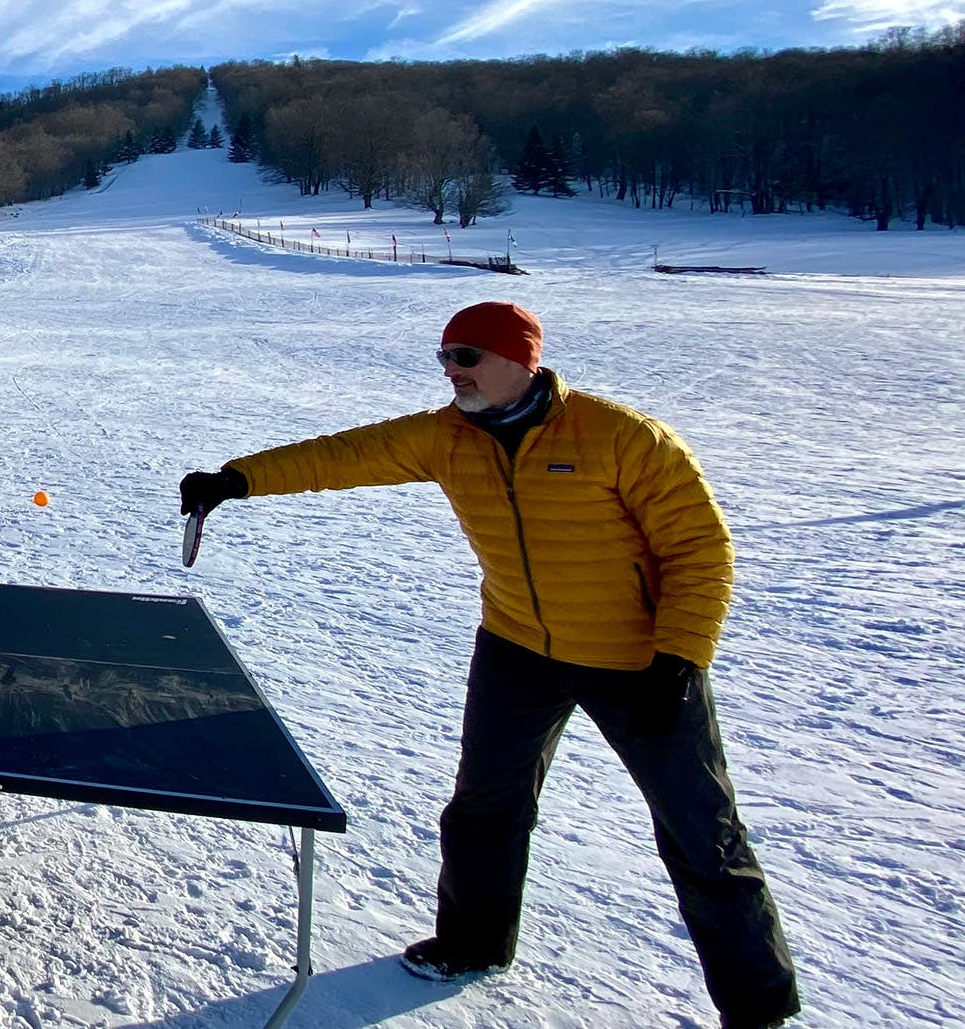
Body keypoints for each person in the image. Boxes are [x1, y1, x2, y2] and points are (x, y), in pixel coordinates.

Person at [177, 302, 798, 1028]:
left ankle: (758, 1006)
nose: (451, 371)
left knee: (700, 833)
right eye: (444, 356)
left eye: (466, 356)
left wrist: (680, 658)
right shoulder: (448, 436)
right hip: (517, 648)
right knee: (484, 808)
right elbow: (345, 455)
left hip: (638, 661)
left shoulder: (622, 437)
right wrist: (238, 480)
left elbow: (700, 549)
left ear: (520, 360)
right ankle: (473, 944)